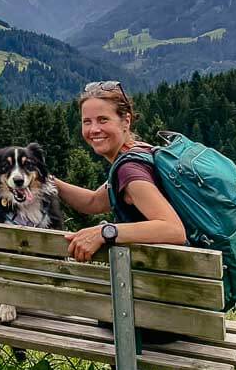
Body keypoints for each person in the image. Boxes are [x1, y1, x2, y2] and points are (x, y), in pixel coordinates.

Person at [54, 81, 186, 261]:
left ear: (126, 121)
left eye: (103, 120)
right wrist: (49, 181)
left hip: (166, 282)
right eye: (87, 122)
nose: (94, 129)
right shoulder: (141, 151)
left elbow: (173, 230)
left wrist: (105, 232)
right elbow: (94, 202)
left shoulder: (130, 171)